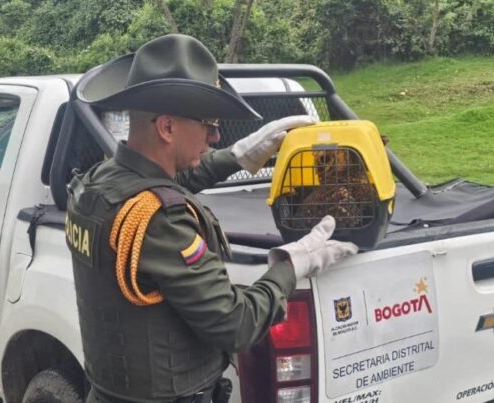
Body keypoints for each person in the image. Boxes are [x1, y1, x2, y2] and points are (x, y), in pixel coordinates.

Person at [66, 34, 358, 403]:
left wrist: (240, 156)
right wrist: (290, 265)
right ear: (167, 128)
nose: (216, 136)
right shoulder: (159, 219)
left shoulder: (98, 183)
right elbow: (236, 324)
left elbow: (168, 178)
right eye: (209, 125)